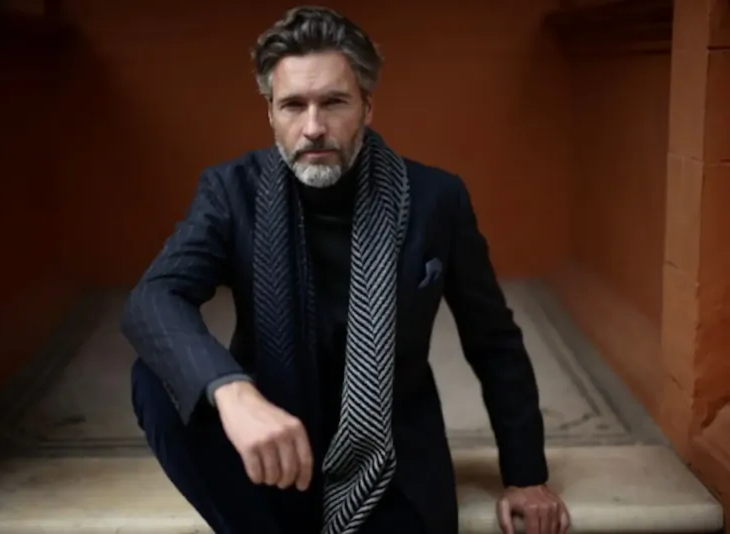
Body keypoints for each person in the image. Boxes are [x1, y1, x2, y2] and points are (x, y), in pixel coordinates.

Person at [121, 5, 570, 534]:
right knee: (156, 377)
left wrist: (526, 475)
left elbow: (492, 339)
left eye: (333, 102)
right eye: (293, 105)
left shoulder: (435, 199)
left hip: (388, 463)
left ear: (367, 107)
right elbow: (154, 298)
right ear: (270, 113)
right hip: (271, 446)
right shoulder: (231, 191)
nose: (313, 127)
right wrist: (231, 391)